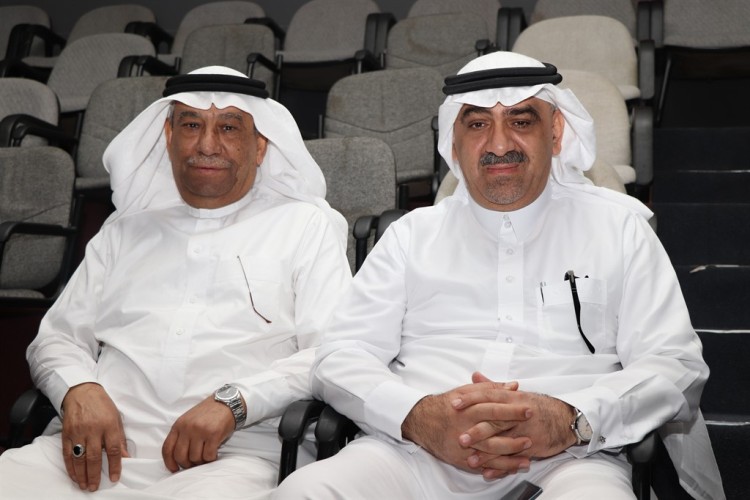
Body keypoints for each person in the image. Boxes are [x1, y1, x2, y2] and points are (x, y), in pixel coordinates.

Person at [274, 52, 725, 499]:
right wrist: (418, 415)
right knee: (304, 492)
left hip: (570, 460)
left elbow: (675, 365)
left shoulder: (619, 229)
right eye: (477, 124)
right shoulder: (411, 235)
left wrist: (571, 417)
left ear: (555, 132)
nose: (499, 143)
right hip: (411, 454)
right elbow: (340, 355)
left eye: (521, 121)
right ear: (454, 144)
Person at [0, 66, 351, 499]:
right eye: (191, 125)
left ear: (260, 146)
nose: (207, 145)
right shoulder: (124, 230)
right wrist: (78, 387)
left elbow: (330, 352)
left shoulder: (305, 225)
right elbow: (57, 338)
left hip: (231, 459)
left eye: (228, 127)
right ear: (169, 137)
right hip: (93, 450)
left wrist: (235, 402)